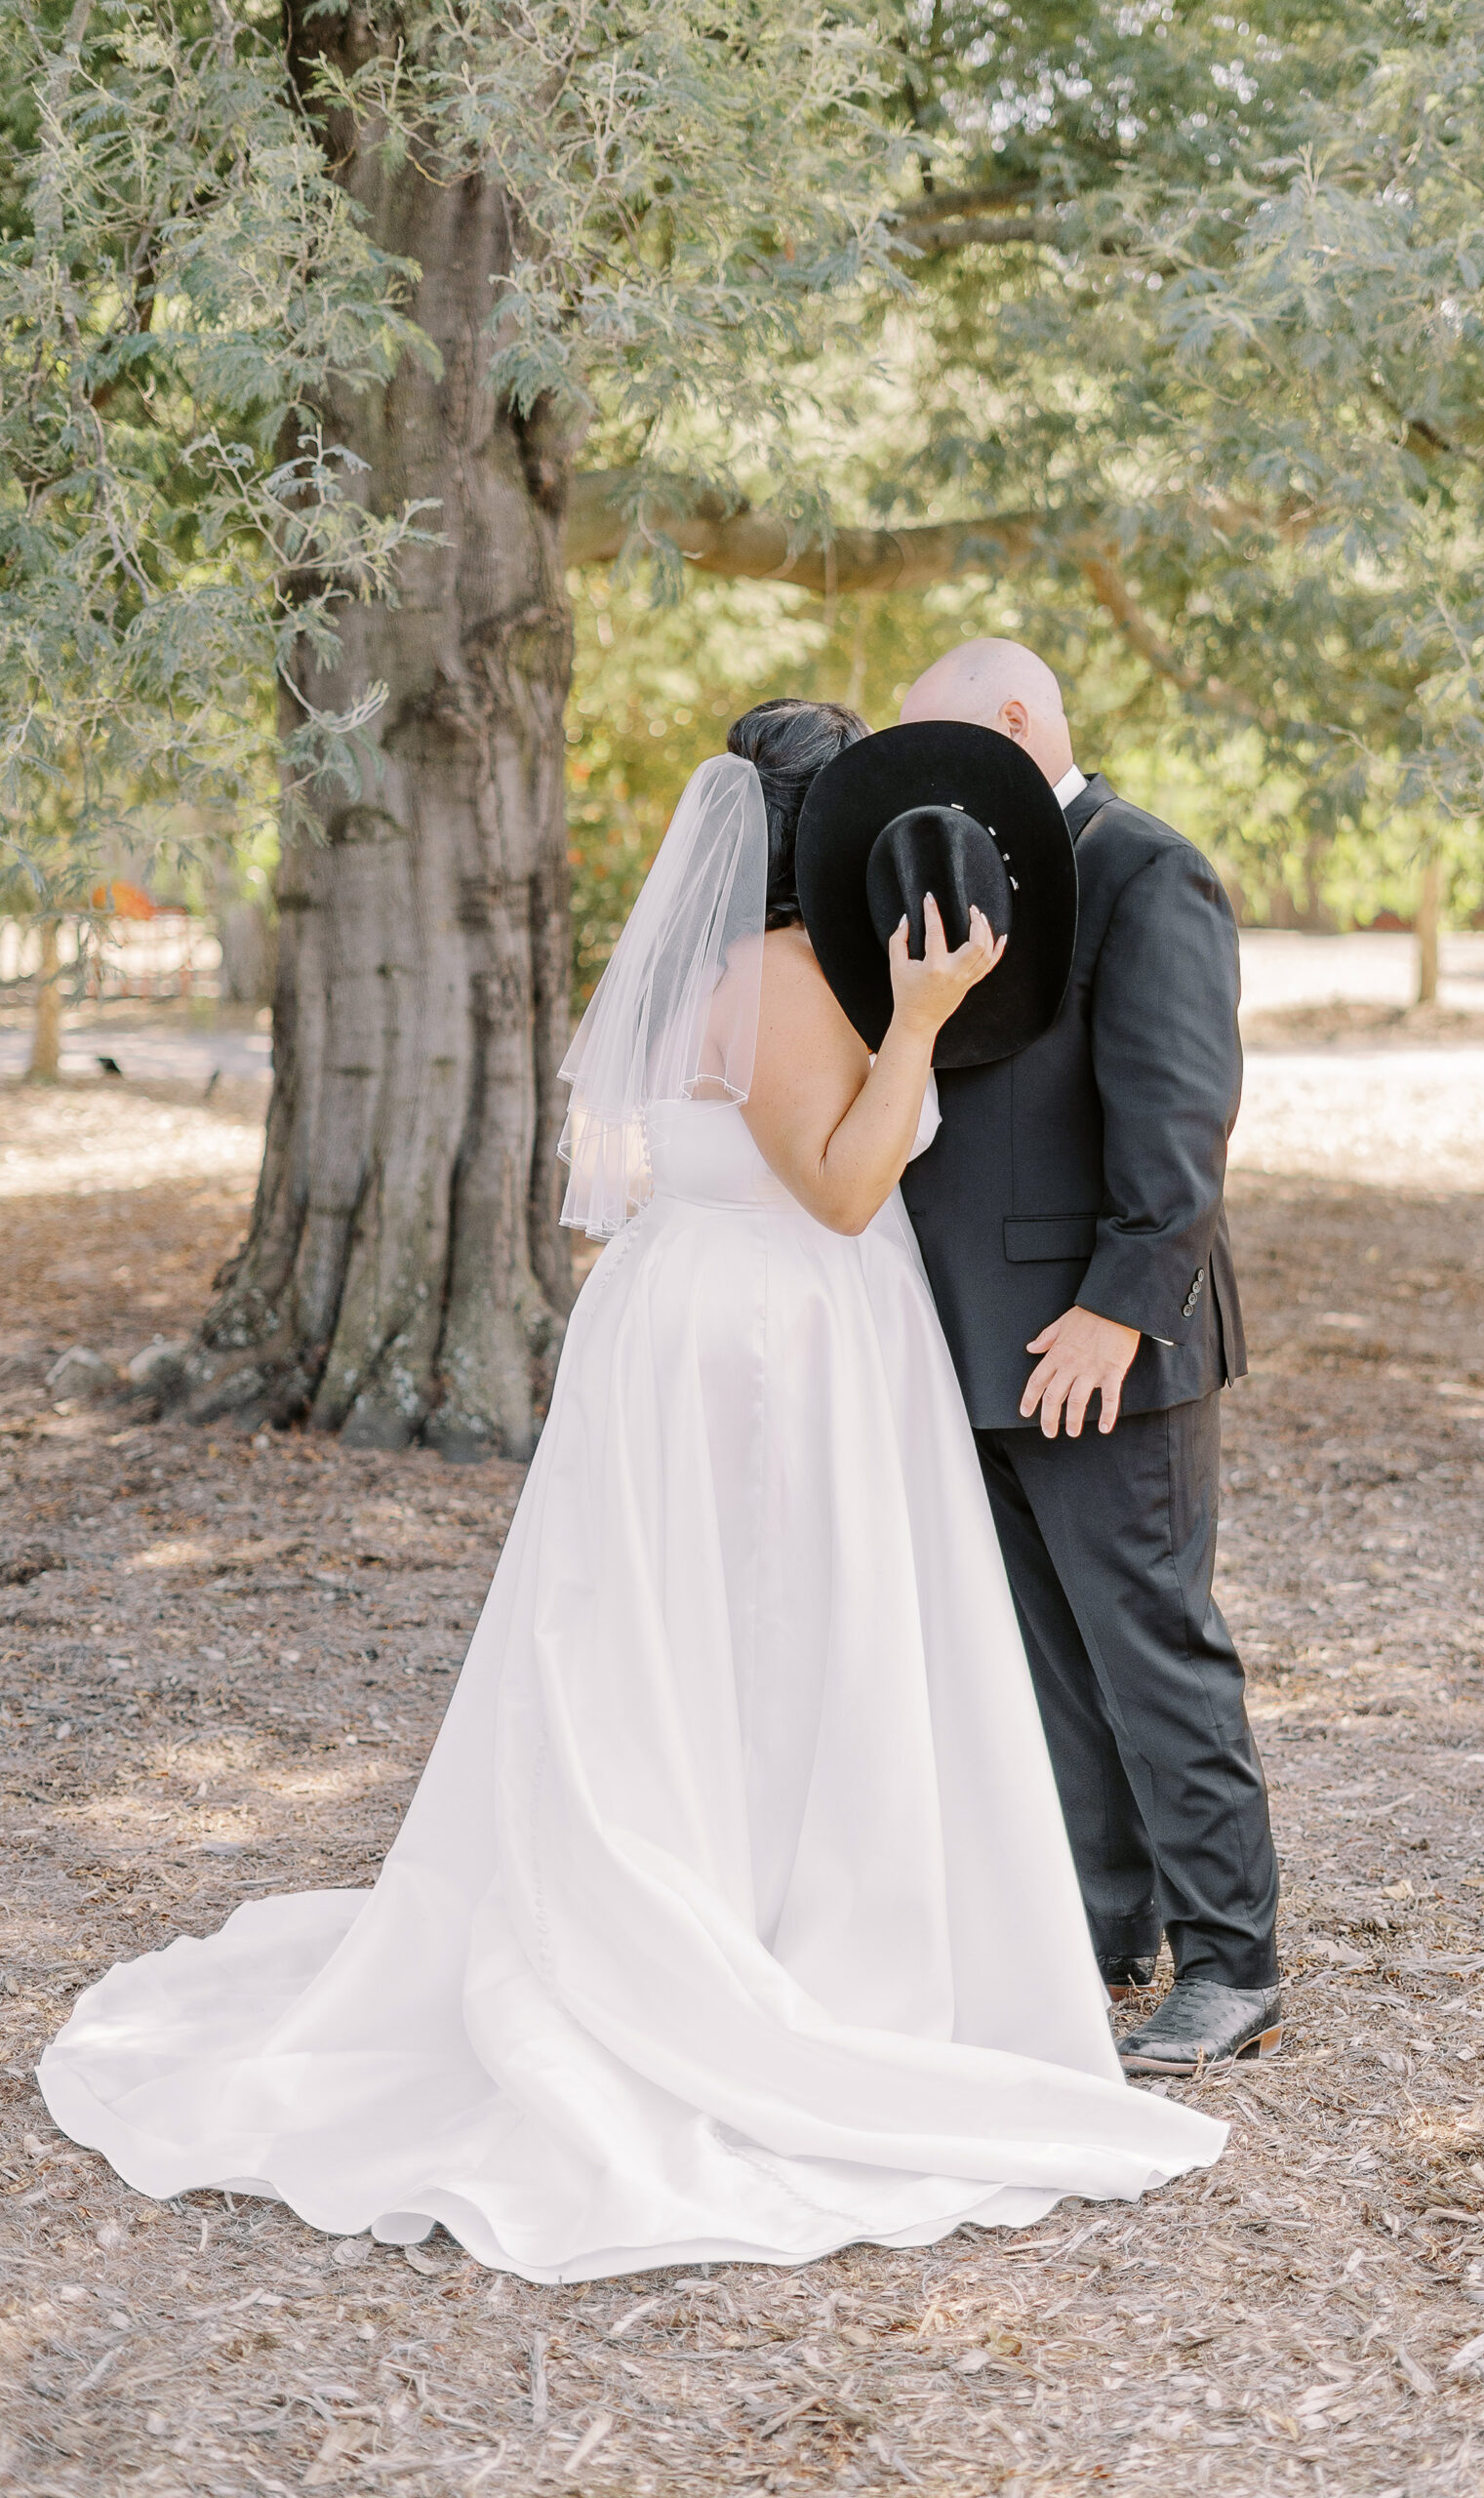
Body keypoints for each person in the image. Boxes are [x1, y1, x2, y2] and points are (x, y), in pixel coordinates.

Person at [38, 698, 1223, 2285]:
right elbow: (851, 1183)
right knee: (769, 1637)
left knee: (700, 1638)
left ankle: (760, 1886)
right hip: (773, 1338)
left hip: (712, 1324)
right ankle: (767, 1932)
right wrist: (928, 1021)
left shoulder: (730, 965)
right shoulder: (789, 979)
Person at [898, 642, 1284, 2075]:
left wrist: (1121, 1308)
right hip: (976, 1339)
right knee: (1052, 1660)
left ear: (1012, 722)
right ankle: (1107, 1922)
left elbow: (1183, 1117)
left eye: (936, 742)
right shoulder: (964, 873)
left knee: (1154, 1647)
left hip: (1100, 1341)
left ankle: (1234, 1961)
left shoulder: (1142, 867)